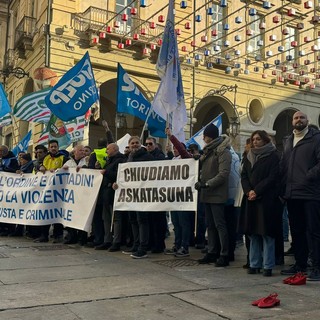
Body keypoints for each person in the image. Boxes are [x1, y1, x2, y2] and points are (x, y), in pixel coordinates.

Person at [280, 111, 320, 281]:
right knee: (297, 231)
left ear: (307, 120)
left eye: (302, 117)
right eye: (296, 118)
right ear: (292, 122)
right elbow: (284, 164)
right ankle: (300, 264)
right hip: (292, 194)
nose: (299, 120)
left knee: (314, 231)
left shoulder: (316, 138)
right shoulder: (289, 141)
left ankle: (317, 267)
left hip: (311, 193)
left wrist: (307, 177)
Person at [238, 130, 282, 277]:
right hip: (250, 199)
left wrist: (256, 191)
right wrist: (248, 191)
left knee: (267, 233)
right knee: (252, 233)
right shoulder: (248, 156)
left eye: (258, 139)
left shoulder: (274, 155)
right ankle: (254, 263)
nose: (255, 141)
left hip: (266, 200)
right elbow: (243, 175)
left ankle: (267, 265)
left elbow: (273, 177)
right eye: (253, 139)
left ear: (265, 140)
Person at [196, 124, 231, 267]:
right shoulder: (207, 152)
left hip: (216, 193)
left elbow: (223, 174)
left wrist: (207, 184)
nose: (203, 138)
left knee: (219, 225)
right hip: (207, 194)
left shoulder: (222, 151)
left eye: (204, 135)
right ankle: (212, 251)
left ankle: (224, 254)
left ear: (209, 136)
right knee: (210, 224)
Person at [114, 136, 154, 259]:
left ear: (140, 144)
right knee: (133, 220)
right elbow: (124, 176)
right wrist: (117, 184)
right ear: (129, 145)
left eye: (137, 143)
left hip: (142, 194)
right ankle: (136, 245)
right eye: (132, 143)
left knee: (142, 221)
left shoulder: (147, 157)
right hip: (130, 195)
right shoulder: (128, 158)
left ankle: (143, 248)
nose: (135, 145)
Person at [165, 128, 194, 257]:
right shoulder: (173, 160)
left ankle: (184, 246)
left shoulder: (187, 158)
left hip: (184, 197)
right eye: (174, 148)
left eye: (177, 148)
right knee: (176, 223)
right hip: (174, 196)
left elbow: (182, 151)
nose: (175, 149)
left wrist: (171, 136)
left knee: (184, 223)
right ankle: (177, 245)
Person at [34, 139, 68, 243]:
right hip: (46, 190)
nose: (53, 148)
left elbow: (69, 166)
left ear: (58, 147)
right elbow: (35, 163)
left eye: (55, 146)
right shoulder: (45, 158)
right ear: (48, 148)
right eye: (51, 147)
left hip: (58, 190)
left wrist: (62, 169)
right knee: (45, 212)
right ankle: (44, 235)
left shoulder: (64, 157)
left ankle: (58, 235)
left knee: (57, 212)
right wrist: (40, 166)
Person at [95, 143, 126, 251]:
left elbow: (118, 176)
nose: (106, 151)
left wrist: (106, 172)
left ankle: (116, 241)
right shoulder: (109, 160)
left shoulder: (120, 160)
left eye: (108, 149)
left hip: (114, 194)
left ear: (114, 149)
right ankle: (107, 240)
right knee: (106, 219)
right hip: (106, 195)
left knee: (116, 219)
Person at [145, 137, 167, 254]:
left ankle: (159, 244)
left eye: (150, 144)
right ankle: (151, 242)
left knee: (158, 221)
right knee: (150, 220)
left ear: (155, 145)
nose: (148, 146)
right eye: (146, 144)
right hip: (148, 193)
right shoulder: (146, 155)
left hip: (158, 193)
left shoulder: (160, 155)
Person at [62, 145, 88, 244]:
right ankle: (72, 237)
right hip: (71, 195)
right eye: (80, 150)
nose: (83, 152)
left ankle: (82, 238)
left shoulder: (87, 161)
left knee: (82, 216)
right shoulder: (68, 162)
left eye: (84, 150)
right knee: (72, 216)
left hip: (83, 194)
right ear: (74, 152)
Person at [0, 145, 20, 236]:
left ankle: (10, 229)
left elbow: (14, 171)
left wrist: (4, 169)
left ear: (4, 152)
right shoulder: (2, 159)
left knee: (9, 209)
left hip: (10, 189)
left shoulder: (12, 159)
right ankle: (2, 228)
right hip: (2, 190)